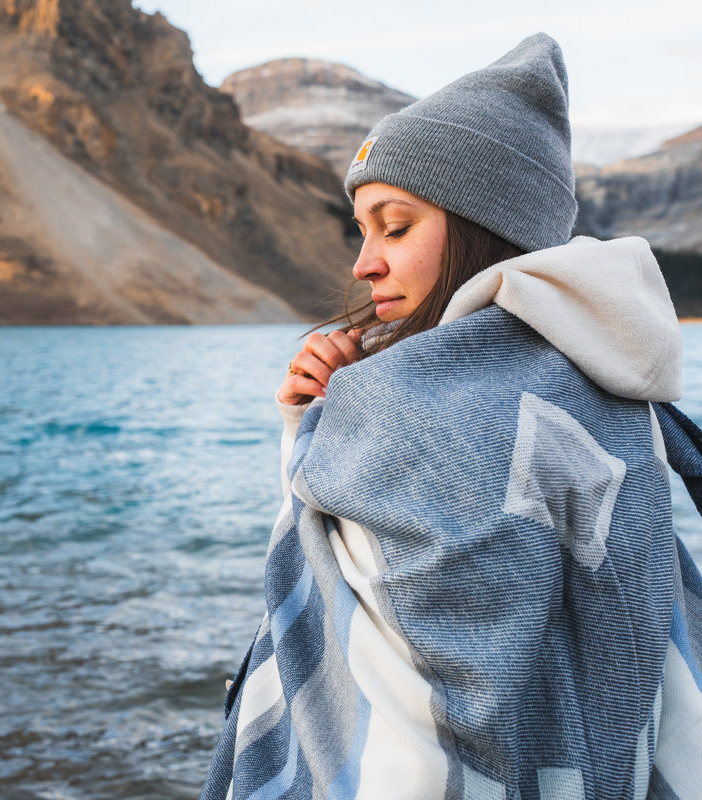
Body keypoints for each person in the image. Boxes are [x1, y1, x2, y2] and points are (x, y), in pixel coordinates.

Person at [200, 33, 702, 800]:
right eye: (363, 230)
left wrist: (331, 430)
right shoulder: (612, 389)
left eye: (395, 226)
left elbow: (386, 688)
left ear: (481, 230)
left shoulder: (408, 402)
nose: (364, 264)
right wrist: (322, 419)